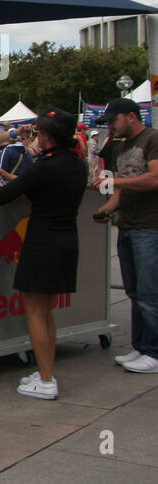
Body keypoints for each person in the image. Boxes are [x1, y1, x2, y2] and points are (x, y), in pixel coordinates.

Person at [0, 113, 86, 399]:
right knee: (46, 312)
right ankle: (47, 371)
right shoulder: (75, 163)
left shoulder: (45, 166)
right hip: (67, 239)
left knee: (35, 313)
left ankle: (45, 381)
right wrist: (11, 177)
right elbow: (40, 185)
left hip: (42, 242)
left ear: (45, 136)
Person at [91, 98, 158, 373]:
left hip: (150, 226)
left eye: (113, 121)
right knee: (134, 291)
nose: (110, 128)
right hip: (128, 225)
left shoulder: (153, 139)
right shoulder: (119, 147)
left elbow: (154, 179)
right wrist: (105, 208)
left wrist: (113, 182)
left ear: (131, 116)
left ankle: (154, 352)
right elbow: (120, 191)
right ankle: (142, 347)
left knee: (150, 292)